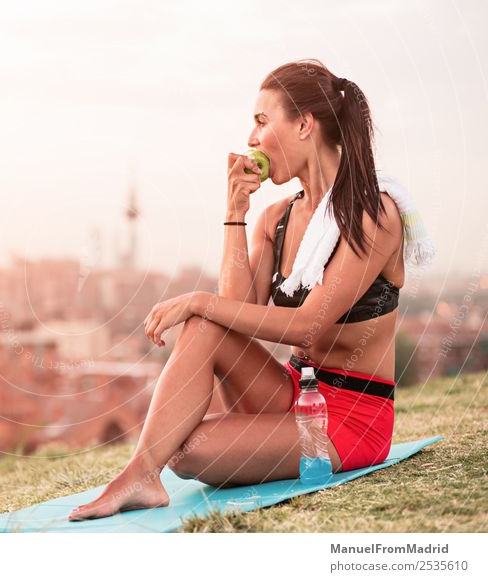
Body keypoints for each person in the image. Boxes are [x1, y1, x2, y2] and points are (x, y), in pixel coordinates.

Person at [69, 59, 407, 521]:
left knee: (189, 453)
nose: (251, 139)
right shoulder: (277, 220)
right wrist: (235, 212)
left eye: (262, 122)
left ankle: (145, 473)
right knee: (202, 332)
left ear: (304, 125)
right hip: (292, 392)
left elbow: (307, 325)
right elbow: (233, 316)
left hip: (351, 421)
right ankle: (140, 475)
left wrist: (199, 300)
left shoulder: (374, 214)